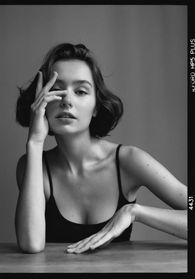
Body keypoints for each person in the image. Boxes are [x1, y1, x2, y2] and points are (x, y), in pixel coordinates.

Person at [15, 43, 187, 254]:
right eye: (56, 89)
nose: (67, 100)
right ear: (40, 101)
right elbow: (31, 244)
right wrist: (34, 141)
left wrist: (135, 212)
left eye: (80, 91)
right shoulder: (32, 165)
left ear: (96, 106)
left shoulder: (129, 160)